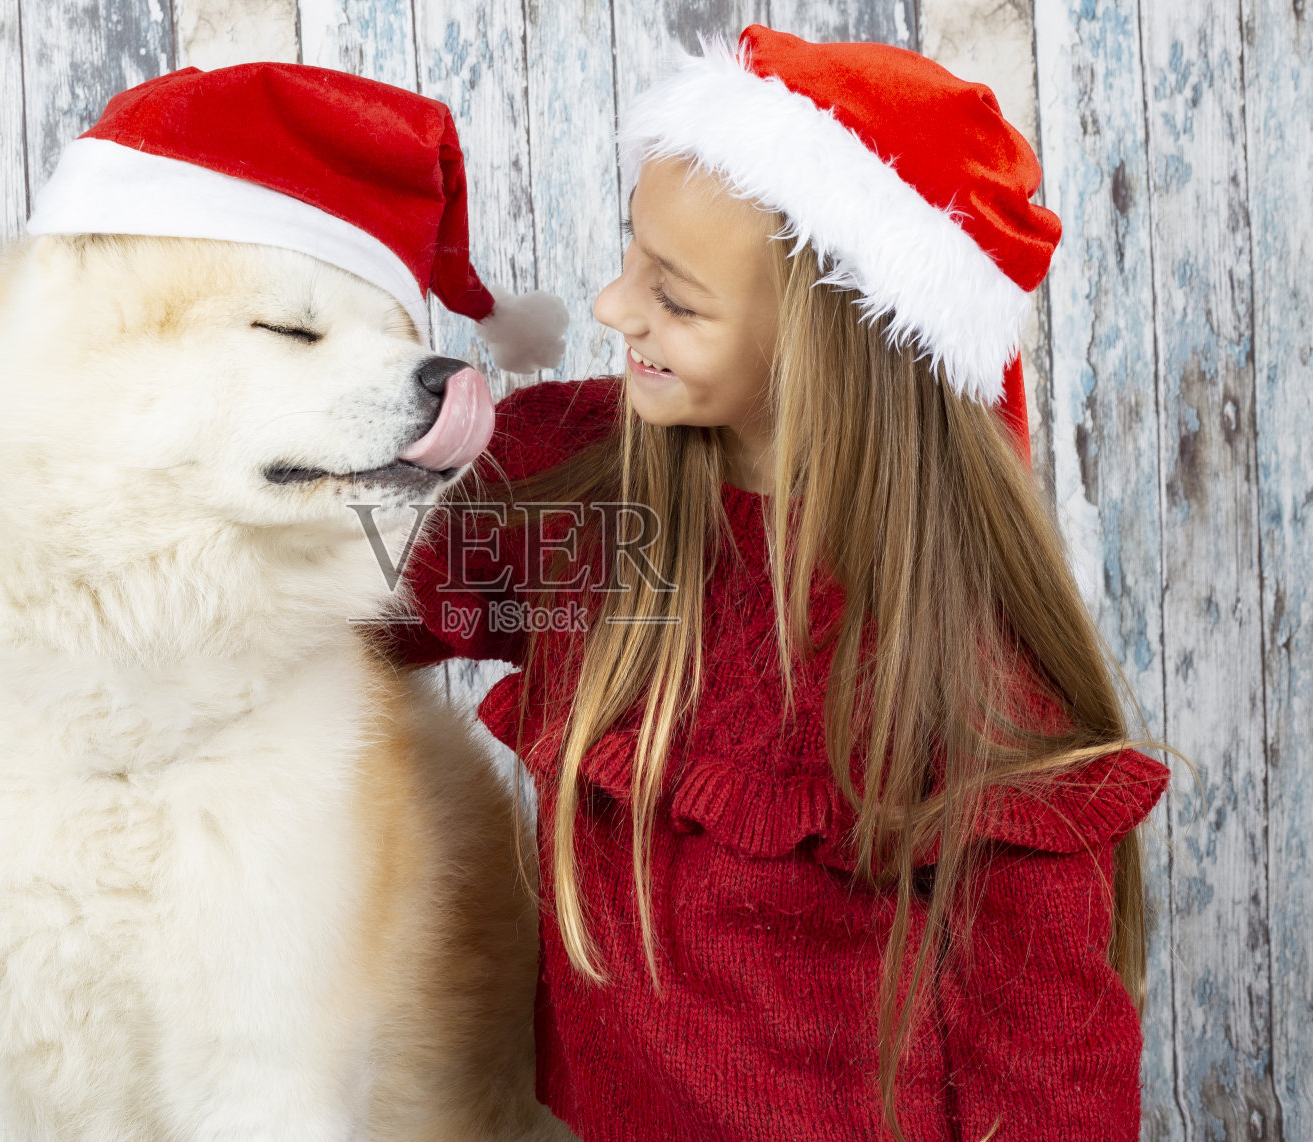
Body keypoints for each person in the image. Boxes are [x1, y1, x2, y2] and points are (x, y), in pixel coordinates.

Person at [367, 25, 1171, 1142]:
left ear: (828, 348)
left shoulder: (955, 664)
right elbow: (337, 603)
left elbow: (1051, 1084)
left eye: (677, 299)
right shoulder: (594, 491)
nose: (610, 307)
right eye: (630, 254)